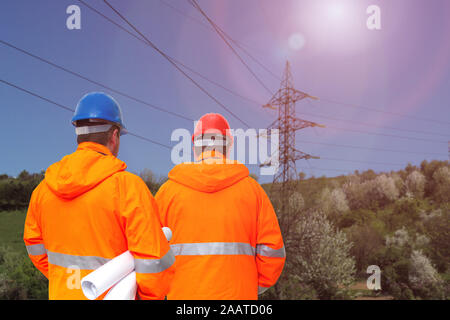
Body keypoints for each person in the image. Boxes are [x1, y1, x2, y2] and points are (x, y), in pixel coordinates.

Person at [23, 92, 174, 300]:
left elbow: (35, 247)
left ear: (78, 133)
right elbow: (153, 263)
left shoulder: (42, 191)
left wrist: (69, 283)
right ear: (114, 136)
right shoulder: (128, 188)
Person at [156, 113, 285, 300]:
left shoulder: (167, 193)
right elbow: (272, 253)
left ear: (195, 146)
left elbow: (151, 255)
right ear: (228, 146)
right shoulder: (253, 191)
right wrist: (248, 287)